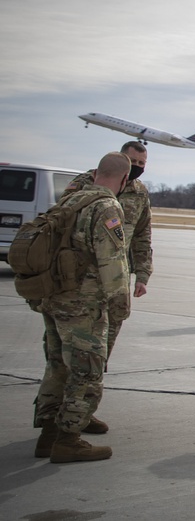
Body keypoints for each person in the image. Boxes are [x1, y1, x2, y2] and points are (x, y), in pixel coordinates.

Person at [32, 152, 131, 463]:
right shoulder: (106, 206)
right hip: (84, 304)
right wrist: (120, 306)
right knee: (86, 370)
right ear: (124, 179)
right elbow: (111, 263)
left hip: (54, 297)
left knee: (57, 365)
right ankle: (68, 438)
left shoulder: (69, 200)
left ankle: (47, 434)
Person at [57, 140, 152, 434]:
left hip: (109, 282)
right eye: (133, 163)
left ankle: (82, 412)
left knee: (98, 355)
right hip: (82, 285)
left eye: (142, 164)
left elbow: (142, 234)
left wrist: (143, 273)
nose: (137, 169)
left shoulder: (139, 193)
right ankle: (61, 424)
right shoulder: (85, 187)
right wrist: (120, 299)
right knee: (73, 359)